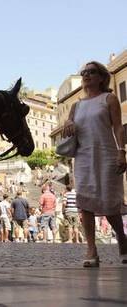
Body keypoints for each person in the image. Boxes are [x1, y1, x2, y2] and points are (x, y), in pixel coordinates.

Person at [62, 61, 127, 267]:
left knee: (109, 205)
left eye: (91, 72)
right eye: (84, 73)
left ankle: (122, 239)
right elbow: (69, 126)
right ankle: (91, 249)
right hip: (82, 158)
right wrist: (69, 123)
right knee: (85, 203)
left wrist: (122, 151)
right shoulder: (76, 105)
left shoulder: (109, 99)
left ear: (101, 77)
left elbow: (118, 128)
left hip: (107, 155)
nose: (86, 75)